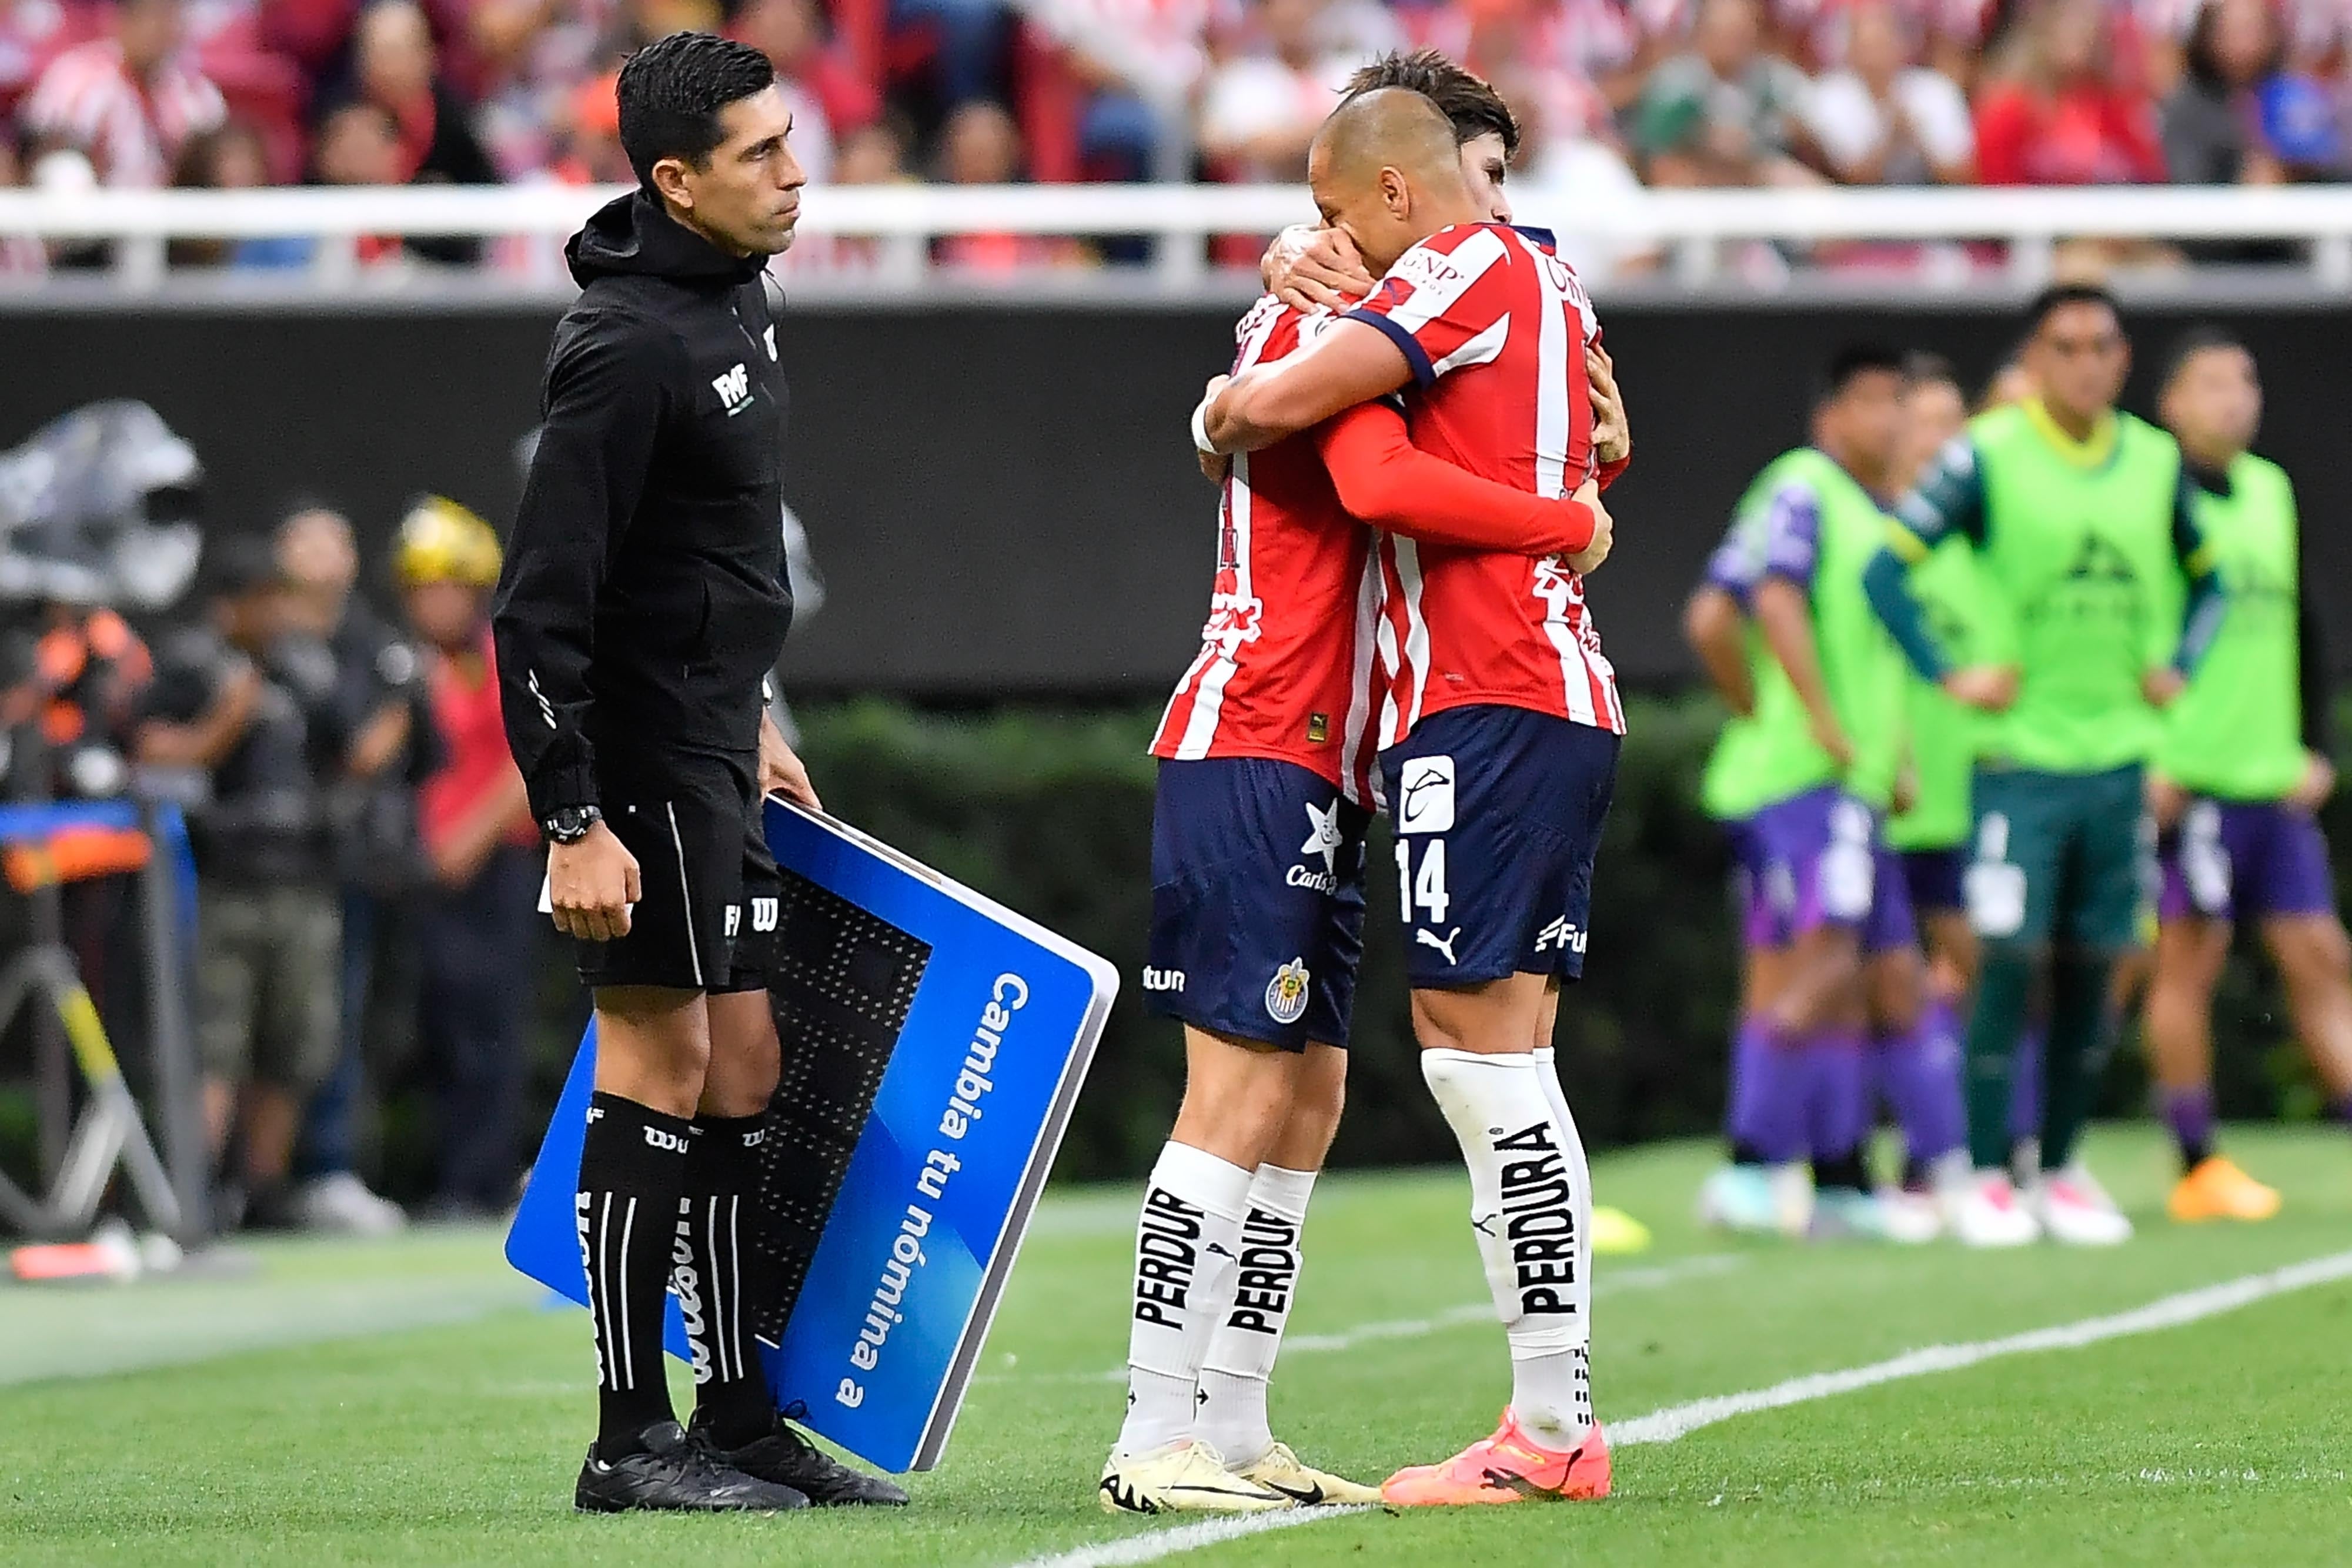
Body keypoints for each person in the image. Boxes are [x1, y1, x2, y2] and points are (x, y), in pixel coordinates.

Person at [1103, 62, 1619, 1519]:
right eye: (1479, 180)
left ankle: (1242, 1422)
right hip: (1261, 732)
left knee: (1320, 1090)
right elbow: (1339, 458)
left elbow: (1562, 416)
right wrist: (1561, 512)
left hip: (1361, 747)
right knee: (1251, 1084)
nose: (1494, 213)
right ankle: (1155, 1430)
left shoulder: (1464, 290)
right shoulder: (1330, 311)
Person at [491, 31, 901, 1514]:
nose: (796, 172)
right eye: (761, 153)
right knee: (657, 1064)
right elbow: (537, 607)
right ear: (676, 180)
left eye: (792, 139)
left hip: (718, 745)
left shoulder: (740, 296)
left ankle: (734, 1417)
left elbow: (703, 561)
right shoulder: (622, 348)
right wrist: (572, 816)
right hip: (642, 763)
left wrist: (757, 709)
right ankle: (626, 1440)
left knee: (743, 1066)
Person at [1862, 282, 2228, 1248]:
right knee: (2008, 957)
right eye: (2066, 346)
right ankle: (1987, 1172)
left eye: (2103, 345)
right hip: (2019, 760)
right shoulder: (1988, 455)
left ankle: (2059, 1165)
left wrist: (2179, 664)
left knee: (2098, 963)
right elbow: (1886, 568)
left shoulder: (2154, 461)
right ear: (2035, 359)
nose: (2087, 363)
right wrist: (1948, 673)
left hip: (2119, 759)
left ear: (2123, 358)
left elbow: (2214, 579)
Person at [1690, 346, 1956, 1245]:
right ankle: (1749, 1162)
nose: (1893, 420)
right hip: (1811, 781)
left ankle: (1843, 1179)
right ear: (1830, 415)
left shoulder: (1873, 511)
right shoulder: (1806, 486)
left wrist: (1892, 756)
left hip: (1852, 785)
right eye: (1876, 401)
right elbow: (1744, 608)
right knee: (1830, 962)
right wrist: (1810, 720)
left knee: (1869, 972)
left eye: (1901, 402)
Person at [2143, 328, 2352, 1222]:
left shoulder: (2270, 489)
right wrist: (2151, 754)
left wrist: (2315, 746)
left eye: (2246, 381)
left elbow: (2306, 624)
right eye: (2213, 384)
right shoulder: (2151, 494)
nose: (2235, 399)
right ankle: (2196, 1159)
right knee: (2185, 962)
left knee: (2321, 956)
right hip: (2192, 777)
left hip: (2271, 777)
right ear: (2172, 405)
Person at [135, 539, 345, 1231]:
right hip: (223, 879)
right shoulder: (191, 666)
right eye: (262, 600)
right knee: (217, 1041)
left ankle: (263, 1189)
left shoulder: (304, 669)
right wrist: (225, 720)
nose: (275, 615)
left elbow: (342, 757)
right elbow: (154, 753)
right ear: (229, 606)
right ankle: (196, 1194)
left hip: (301, 877)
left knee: (295, 1043)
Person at [396, 497, 543, 1217]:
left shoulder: (502, 658)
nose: (431, 603)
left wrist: (468, 840)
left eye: (445, 587)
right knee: (439, 1028)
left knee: (490, 1025)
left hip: (497, 866)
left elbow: (528, 760)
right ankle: (449, 1174)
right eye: (419, 589)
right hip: (427, 871)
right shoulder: (411, 668)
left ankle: (481, 1178)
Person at [22, 0, 224, 188]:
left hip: (173, 205)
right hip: (93, 204)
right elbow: (40, 147)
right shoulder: (76, 76)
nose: (162, 28)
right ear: (122, 20)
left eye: (171, 16)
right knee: (66, 171)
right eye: (153, 16)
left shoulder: (194, 90)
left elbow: (214, 158)